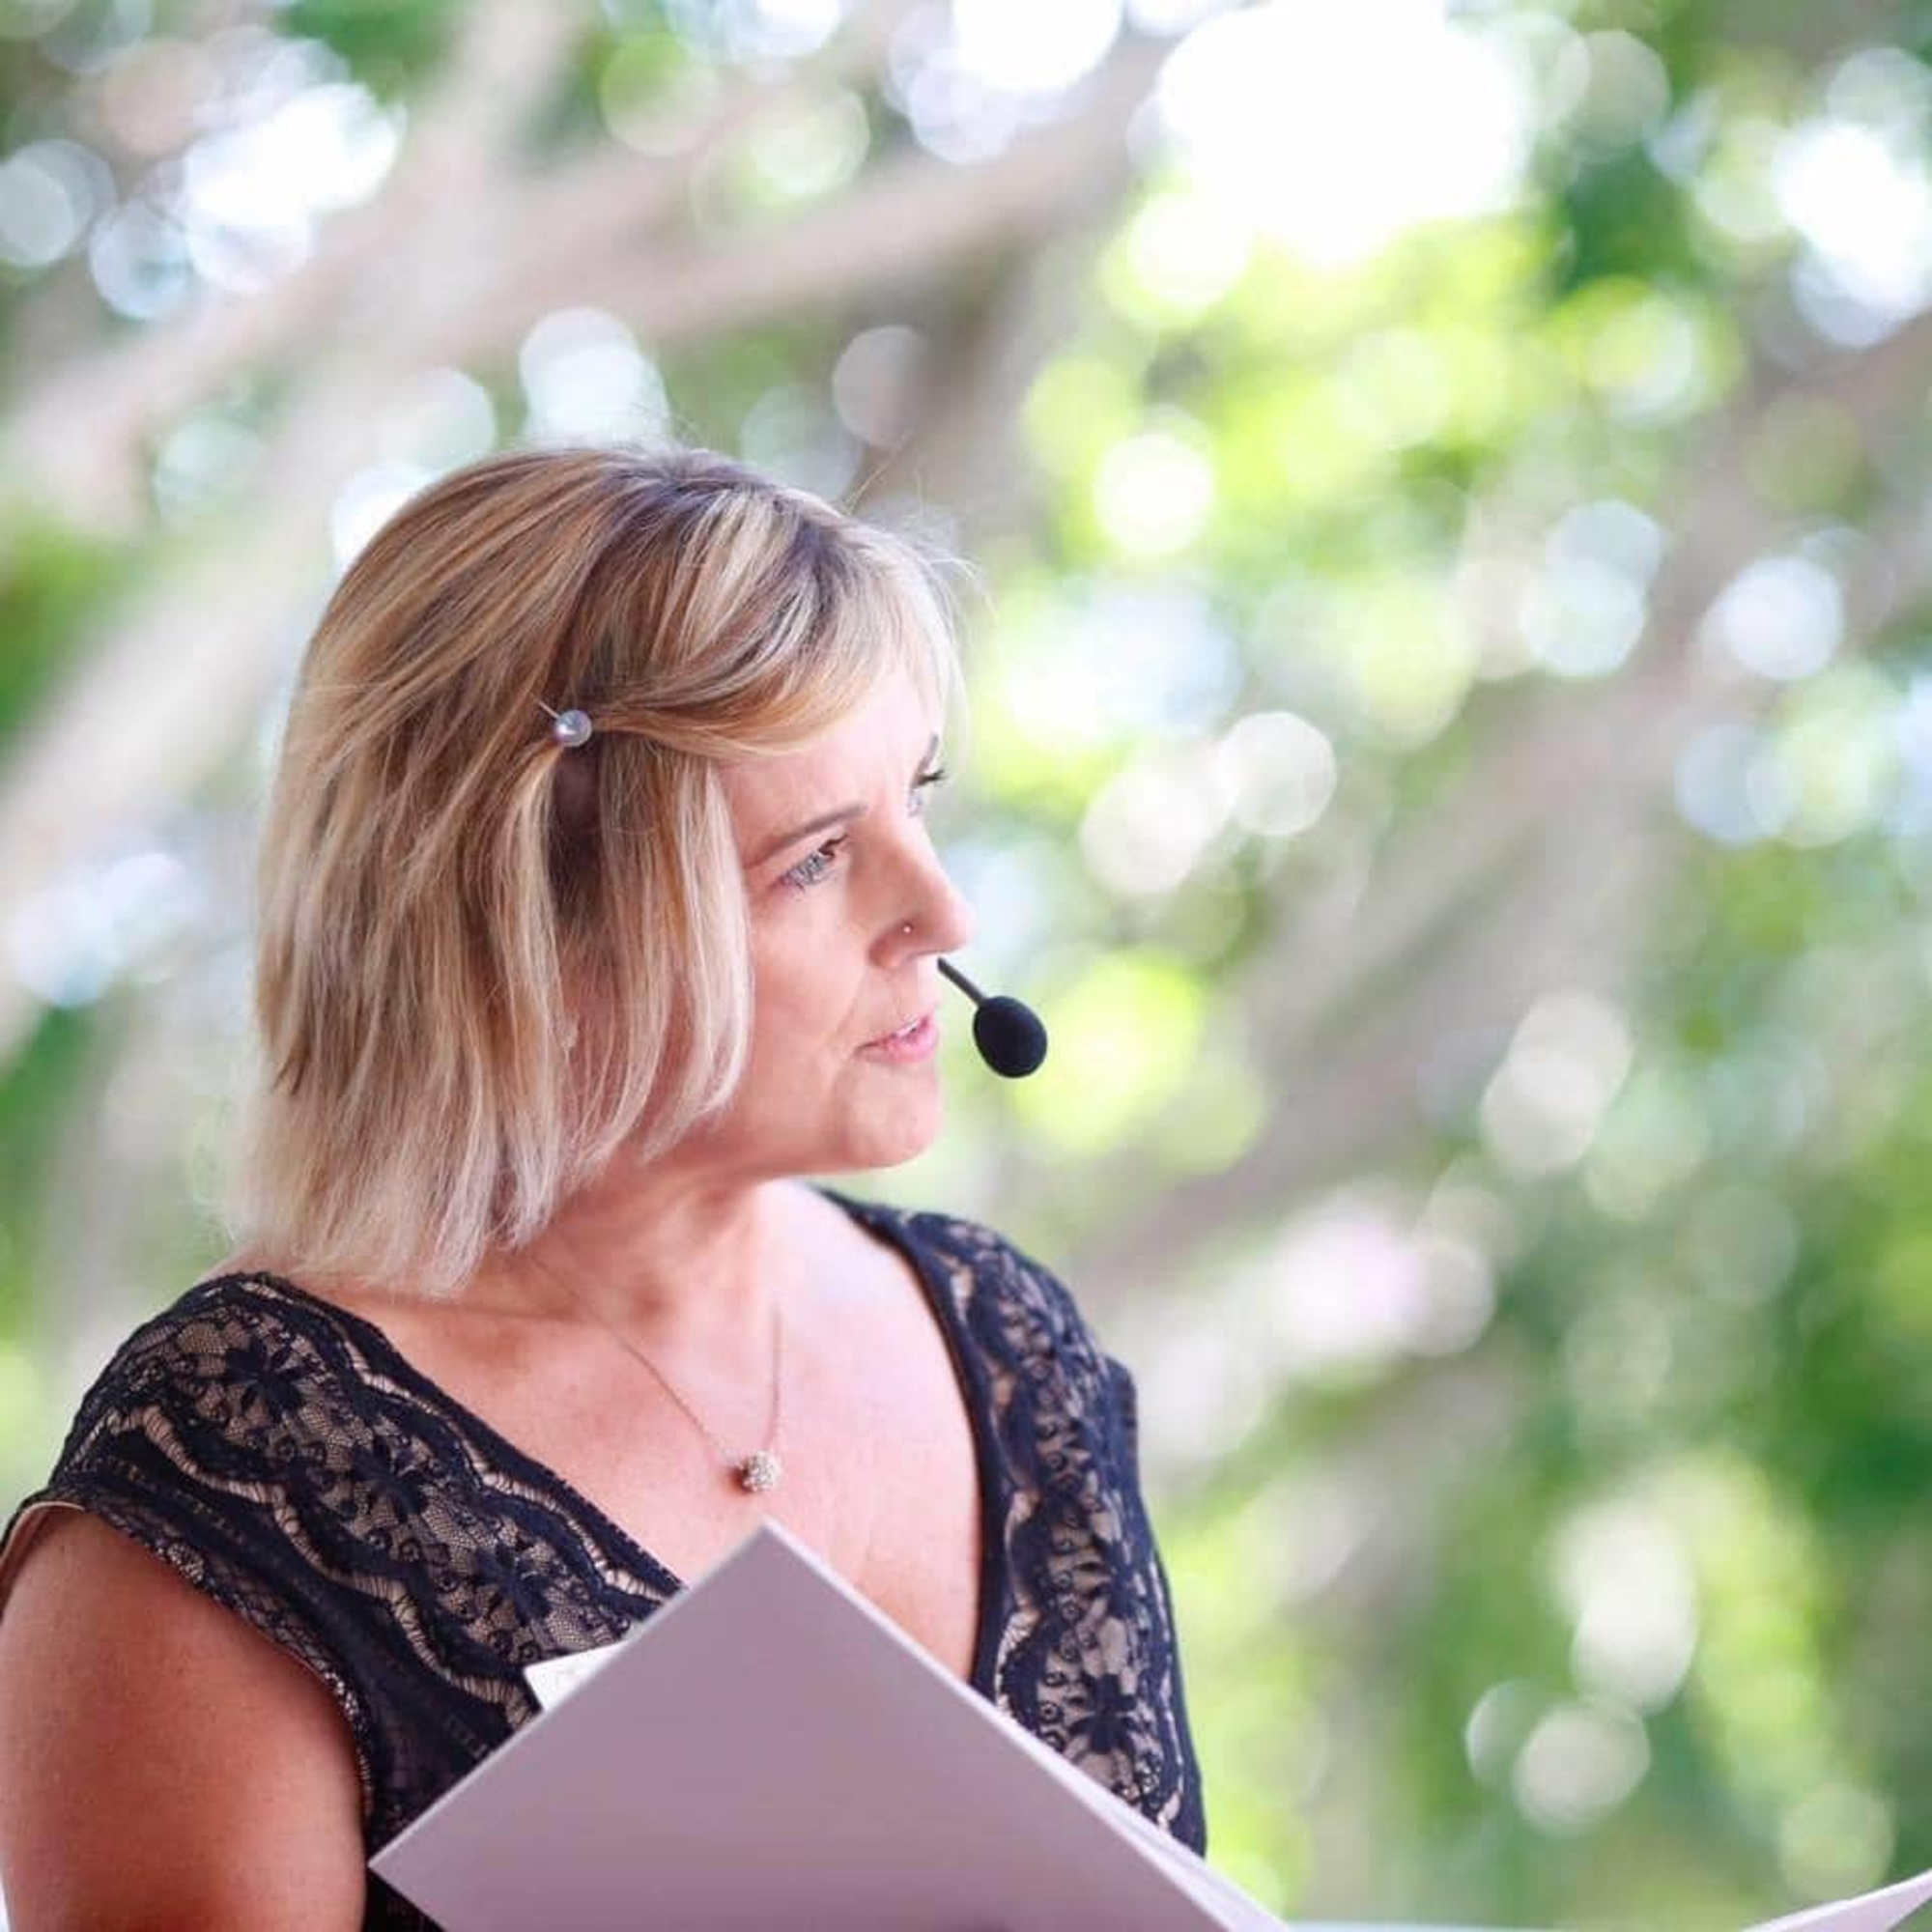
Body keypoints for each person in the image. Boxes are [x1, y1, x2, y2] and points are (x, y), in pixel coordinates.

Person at [0, 445, 1205, 1929]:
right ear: (535, 937)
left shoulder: (1011, 1343)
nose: (943, 914)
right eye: (818, 859)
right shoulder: (234, 1468)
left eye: (917, 798)